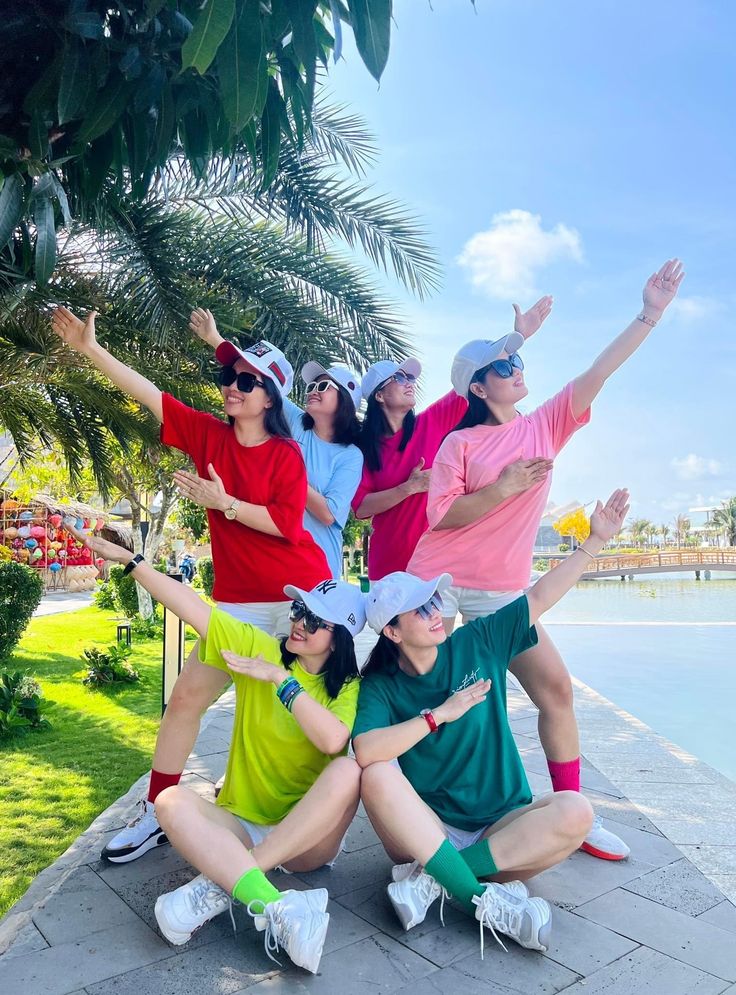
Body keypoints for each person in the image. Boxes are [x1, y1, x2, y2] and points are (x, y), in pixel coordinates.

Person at [407, 259, 684, 862]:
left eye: (519, 362)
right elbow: (441, 517)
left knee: (556, 689)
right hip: (439, 586)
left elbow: (600, 371)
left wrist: (651, 313)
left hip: (504, 591)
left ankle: (571, 814)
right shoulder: (459, 442)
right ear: (478, 387)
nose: (517, 370)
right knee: (435, 698)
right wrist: (502, 488)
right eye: (503, 367)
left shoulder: (548, 423)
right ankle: (419, 811)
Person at [50, 306, 330, 864]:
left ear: (271, 396)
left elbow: (285, 523)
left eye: (245, 380)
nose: (231, 386)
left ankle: (307, 823)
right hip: (236, 605)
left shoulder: (286, 454)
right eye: (227, 377)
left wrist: (224, 503)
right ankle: (158, 809)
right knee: (184, 700)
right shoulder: (207, 434)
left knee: (300, 713)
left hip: (299, 603)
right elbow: (150, 394)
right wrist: (90, 350)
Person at [71, 525, 366, 975]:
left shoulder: (346, 686)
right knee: (169, 801)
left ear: (341, 637)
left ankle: (222, 881)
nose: (299, 623)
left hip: (306, 840)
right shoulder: (259, 648)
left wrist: (280, 681)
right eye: (298, 610)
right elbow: (196, 610)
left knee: (348, 773)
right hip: (242, 822)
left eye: (314, 620)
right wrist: (131, 563)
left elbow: (331, 740)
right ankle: (275, 906)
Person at [353, 490, 629, 957]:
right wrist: (439, 715)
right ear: (393, 633)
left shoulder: (477, 641)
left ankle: (438, 879)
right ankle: (474, 892)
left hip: (505, 828)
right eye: (419, 609)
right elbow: (365, 750)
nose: (434, 611)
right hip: (427, 830)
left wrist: (595, 541)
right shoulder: (381, 686)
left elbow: (539, 595)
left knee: (576, 812)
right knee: (376, 774)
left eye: (433, 601)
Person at [352, 298, 552, 580]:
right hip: (389, 568)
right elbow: (360, 507)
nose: (410, 381)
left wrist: (516, 340)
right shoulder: (364, 450)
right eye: (399, 377)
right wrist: (408, 488)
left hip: (439, 566)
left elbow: (474, 377)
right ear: (379, 396)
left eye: (410, 376)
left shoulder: (431, 421)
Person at [188, 308, 364, 579]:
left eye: (323, 387)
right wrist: (214, 338)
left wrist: (290, 480)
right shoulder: (296, 423)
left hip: (319, 568)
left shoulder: (350, 456)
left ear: (345, 404)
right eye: (311, 387)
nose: (312, 392)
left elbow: (329, 514)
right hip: (278, 561)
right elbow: (260, 378)